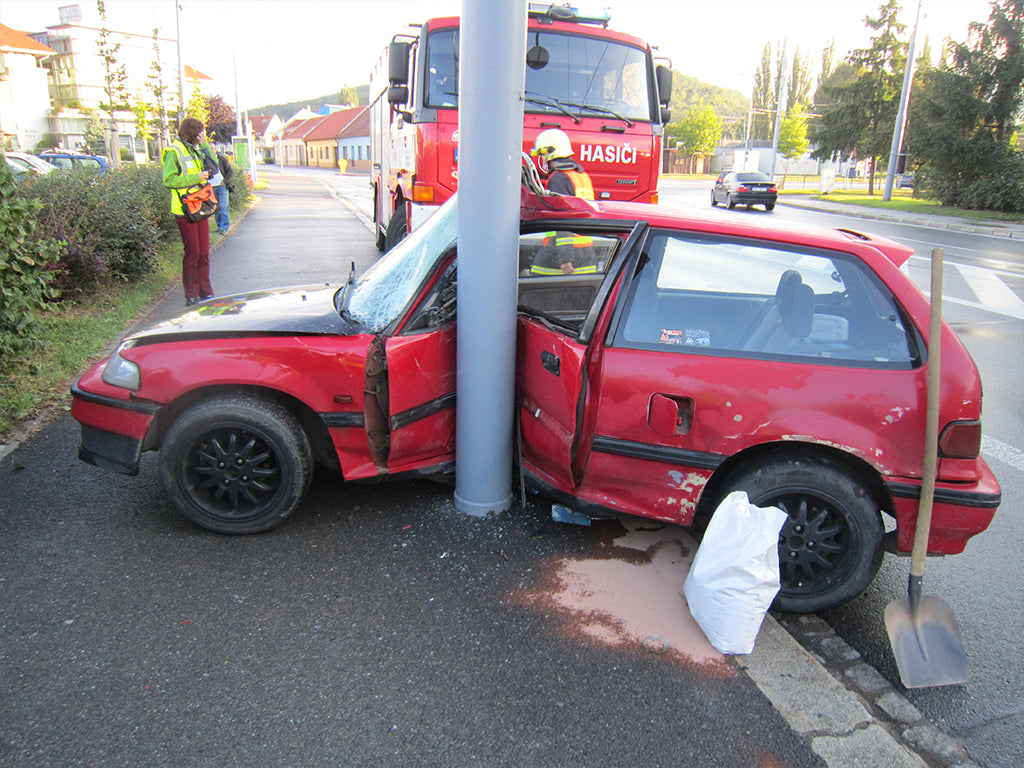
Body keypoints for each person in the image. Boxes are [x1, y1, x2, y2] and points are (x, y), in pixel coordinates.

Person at [163, 118, 214, 305]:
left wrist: (205, 146)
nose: (202, 136)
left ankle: (206, 291)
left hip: (200, 206)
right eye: (200, 133)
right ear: (192, 133)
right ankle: (191, 294)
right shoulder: (173, 151)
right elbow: (169, 180)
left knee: (204, 253)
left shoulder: (195, 149)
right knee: (193, 253)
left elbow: (214, 169)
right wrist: (195, 177)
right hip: (184, 210)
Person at [529, 128, 595, 200]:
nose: (543, 158)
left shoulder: (558, 178)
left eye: (542, 155)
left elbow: (556, 207)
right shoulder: (582, 175)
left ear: (548, 153)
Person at [199, 136, 232, 235]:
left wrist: (225, 181)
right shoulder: (204, 160)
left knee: (223, 206)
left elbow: (230, 171)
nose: (211, 150)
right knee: (215, 208)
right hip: (210, 187)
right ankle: (219, 227)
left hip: (221, 186)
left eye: (212, 148)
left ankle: (224, 227)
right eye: (209, 148)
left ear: (215, 149)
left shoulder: (221, 159)